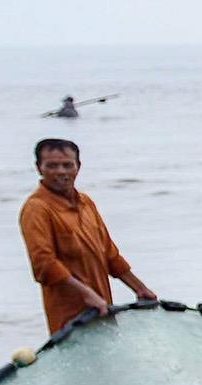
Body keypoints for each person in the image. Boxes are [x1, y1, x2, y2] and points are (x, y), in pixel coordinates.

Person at [18, 138, 156, 334]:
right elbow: (44, 265)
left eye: (67, 165)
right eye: (52, 166)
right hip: (70, 319)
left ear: (78, 167)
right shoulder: (37, 209)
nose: (61, 172)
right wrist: (87, 295)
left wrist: (139, 288)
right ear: (39, 168)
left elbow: (110, 255)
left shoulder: (86, 203)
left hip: (102, 308)